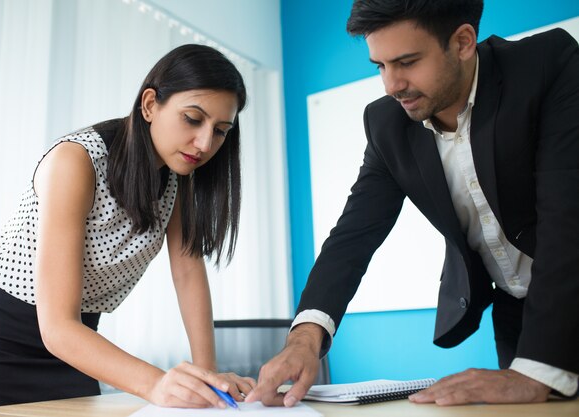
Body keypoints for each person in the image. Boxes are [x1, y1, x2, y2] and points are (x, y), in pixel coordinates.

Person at [246, 0, 579, 407]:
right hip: (519, 316)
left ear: (462, 42)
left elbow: (568, 218)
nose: (391, 84)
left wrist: (534, 370)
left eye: (406, 61)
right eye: (380, 66)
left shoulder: (546, 66)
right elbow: (353, 235)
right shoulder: (387, 125)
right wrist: (305, 337)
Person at [0, 44, 256, 411]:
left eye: (221, 131)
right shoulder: (76, 160)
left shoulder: (179, 178)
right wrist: (158, 384)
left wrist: (210, 380)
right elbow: (57, 327)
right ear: (149, 105)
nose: (206, 143)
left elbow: (189, 271)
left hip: (75, 347)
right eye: (193, 119)